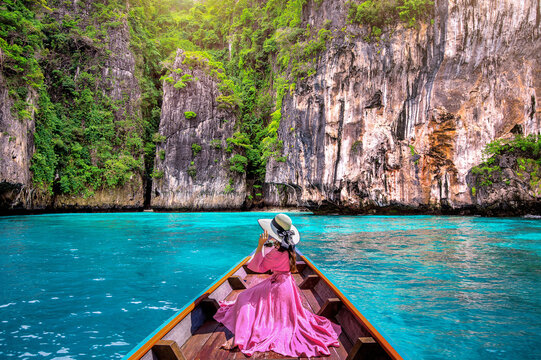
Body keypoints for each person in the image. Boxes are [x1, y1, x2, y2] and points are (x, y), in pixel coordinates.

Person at [213, 214, 341, 358]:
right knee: (255, 299)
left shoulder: (275, 253)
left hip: (277, 287)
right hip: (287, 285)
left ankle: (241, 336)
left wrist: (260, 245)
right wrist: (273, 245)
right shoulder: (289, 248)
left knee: (243, 297)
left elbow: (257, 267)